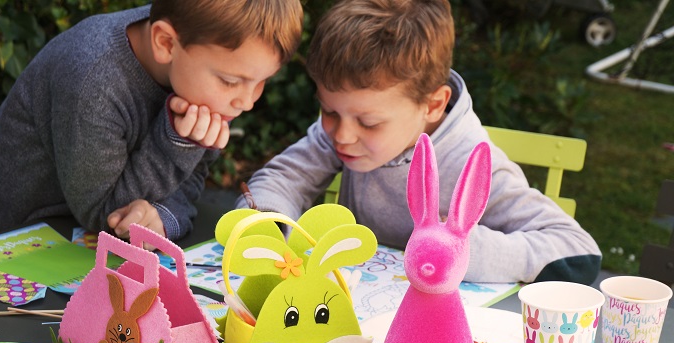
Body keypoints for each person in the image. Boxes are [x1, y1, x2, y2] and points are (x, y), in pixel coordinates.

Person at [237, 0, 602, 285]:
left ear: (433, 105)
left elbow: (577, 250)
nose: (342, 135)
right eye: (328, 112)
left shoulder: (469, 161)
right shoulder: (340, 131)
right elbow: (284, 178)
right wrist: (265, 225)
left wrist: (462, 251)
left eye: (369, 122)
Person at [0, 0, 303, 246]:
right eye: (230, 81)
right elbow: (105, 217)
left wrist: (160, 216)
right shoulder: (93, 80)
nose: (248, 100)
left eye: (262, 81)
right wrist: (177, 141)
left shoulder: (197, 50)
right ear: (165, 43)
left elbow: (189, 177)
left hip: (72, 242)